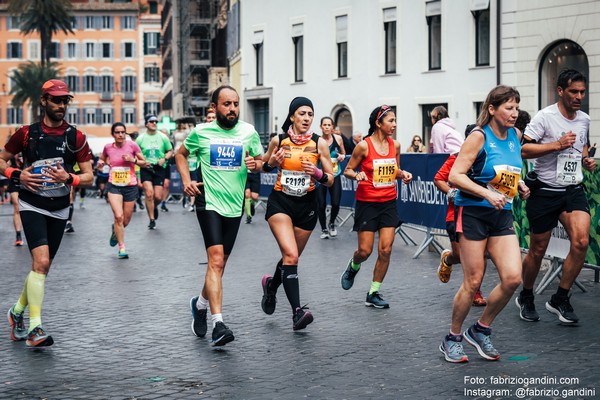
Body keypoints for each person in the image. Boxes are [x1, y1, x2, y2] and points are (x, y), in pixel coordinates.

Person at [438, 85, 529, 363]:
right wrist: (487, 193)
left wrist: (520, 184)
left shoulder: (515, 135)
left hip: (501, 214)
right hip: (474, 212)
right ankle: (452, 338)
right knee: (473, 280)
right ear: (492, 109)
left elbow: (506, 171)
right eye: (508, 108)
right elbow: (455, 175)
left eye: (516, 107)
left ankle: (481, 328)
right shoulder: (478, 137)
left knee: (513, 277)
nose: (514, 113)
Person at [1, 79, 93, 347]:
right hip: (32, 204)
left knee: (43, 267)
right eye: (56, 100)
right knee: (40, 263)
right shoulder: (27, 133)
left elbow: (88, 175)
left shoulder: (75, 137)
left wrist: (70, 178)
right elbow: (2, 159)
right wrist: (17, 174)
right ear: (44, 101)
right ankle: (34, 328)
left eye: (65, 100)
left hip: (60, 208)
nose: (61, 105)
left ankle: (16, 312)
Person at [175, 85, 264, 346]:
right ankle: (219, 324)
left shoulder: (248, 132)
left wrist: (255, 165)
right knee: (214, 260)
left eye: (235, 104)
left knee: (220, 264)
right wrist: (186, 180)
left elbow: (259, 161)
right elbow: (180, 154)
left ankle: (200, 304)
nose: (233, 109)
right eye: (227, 104)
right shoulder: (201, 132)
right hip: (208, 201)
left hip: (234, 206)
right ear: (214, 107)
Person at [517, 69, 596, 324]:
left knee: (581, 241)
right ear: (560, 91)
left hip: (573, 190)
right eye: (574, 91)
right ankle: (526, 295)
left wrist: (586, 159)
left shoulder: (584, 119)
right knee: (537, 250)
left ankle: (560, 298)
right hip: (545, 191)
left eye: (582, 92)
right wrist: (556, 145)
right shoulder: (544, 118)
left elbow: (582, 145)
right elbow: (524, 149)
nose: (579, 96)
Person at [259, 97, 333, 331]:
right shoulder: (278, 140)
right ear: (292, 116)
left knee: (290, 259)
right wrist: (271, 162)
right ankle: (297, 313)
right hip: (281, 203)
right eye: (301, 114)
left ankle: (271, 286)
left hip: (307, 206)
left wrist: (318, 174)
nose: (306, 118)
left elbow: (331, 179)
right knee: (291, 255)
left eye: (310, 114)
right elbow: (263, 166)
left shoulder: (319, 143)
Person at [340, 105, 413, 309]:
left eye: (395, 120)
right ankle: (354, 266)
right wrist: (357, 175)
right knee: (365, 251)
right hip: (367, 203)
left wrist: (403, 174)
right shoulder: (364, 146)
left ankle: (373, 292)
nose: (394, 124)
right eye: (390, 121)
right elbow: (347, 170)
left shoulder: (395, 145)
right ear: (378, 123)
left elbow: (395, 170)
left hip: (388, 202)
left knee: (386, 249)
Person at [434, 150, 487, 306]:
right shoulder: (458, 158)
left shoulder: (491, 158)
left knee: (481, 254)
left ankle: (475, 290)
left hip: (481, 214)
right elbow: (438, 179)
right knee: (459, 256)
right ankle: (448, 258)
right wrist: (452, 193)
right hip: (456, 214)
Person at [98, 122, 148, 259]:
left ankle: (115, 231)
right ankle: (122, 247)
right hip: (113, 185)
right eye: (117, 132)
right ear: (113, 134)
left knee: (125, 220)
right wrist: (101, 164)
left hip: (130, 186)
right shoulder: (108, 147)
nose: (120, 135)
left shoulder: (132, 145)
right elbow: (102, 160)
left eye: (122, 132)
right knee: (118, 217)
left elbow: (145, 162)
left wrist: (132, 160)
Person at [136, 115, 173, 229]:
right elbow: (135, 154)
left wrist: (164, 159)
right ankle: (152, 219)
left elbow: (170, 151)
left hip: (159, 168)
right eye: (151, 121)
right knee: (149, 193)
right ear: (146, 124)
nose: (154, 123)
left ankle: (154, 207)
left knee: (158, 197)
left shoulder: (163, 137)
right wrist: (140, 163)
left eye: (156, 122)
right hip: (146, 168)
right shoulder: (140, 139)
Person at [316, 116, 346, 239]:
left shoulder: (338, 139)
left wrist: (341, 157)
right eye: (324, 125)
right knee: (321, 204)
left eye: (329, 125)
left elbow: (344, 153)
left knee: (335, 202)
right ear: (321, 127)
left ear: (332, 127)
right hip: (321, 176)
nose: (327, 127)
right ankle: (324, 229)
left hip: (335, 174)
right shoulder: (316, 141)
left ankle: (332, 223)